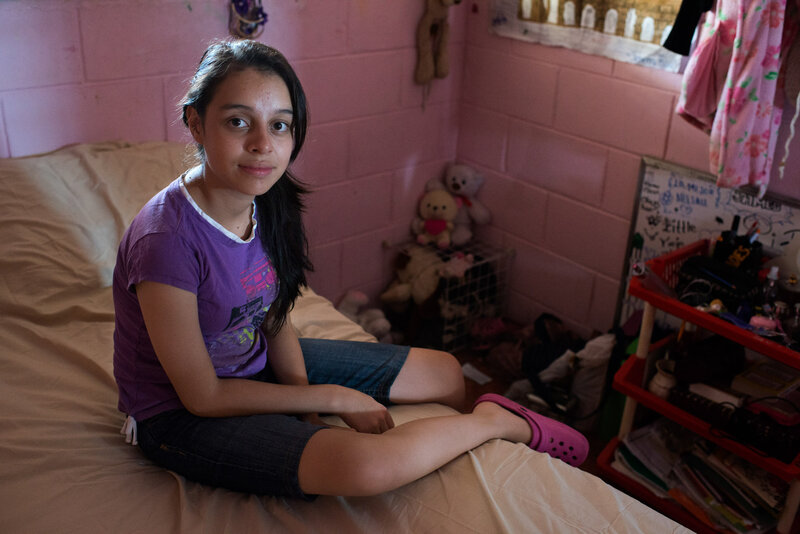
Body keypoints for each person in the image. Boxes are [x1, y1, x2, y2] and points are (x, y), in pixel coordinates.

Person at [112, 39, 589, 500]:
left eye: (280, 126)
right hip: (179, 413)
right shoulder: (166, 240)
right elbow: (203, 397)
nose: (263, 145)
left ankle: (477, 410)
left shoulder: (269, 200)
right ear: (195, 123)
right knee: (367, 465)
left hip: (251, 363)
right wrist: (334, 398)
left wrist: (307, 403)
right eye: (239, 122)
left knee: (444, 375)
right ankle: (499, 422)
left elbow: (272, 314)